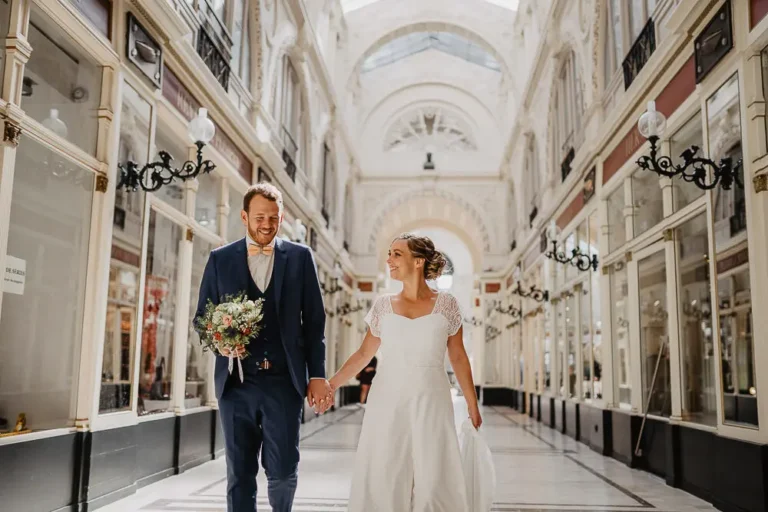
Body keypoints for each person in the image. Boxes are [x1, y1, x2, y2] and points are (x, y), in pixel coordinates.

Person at [194, 183, 332, 512]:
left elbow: (314, 323)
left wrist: (317, 376)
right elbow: (202, 318)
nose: (266, 224)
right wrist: (220, 344)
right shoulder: (220, 259)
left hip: (284, 383)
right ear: (244, 217)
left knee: (283, 471)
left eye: (273, 217)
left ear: (281, 218)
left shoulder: (300, 258)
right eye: (259, 217)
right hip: (236, 384)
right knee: (239, 474)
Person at [329, 233, 482, 511]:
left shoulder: (447, 305)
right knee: (386, 469)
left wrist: (472, 403)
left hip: (432, 397)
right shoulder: (382, 305)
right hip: (387, 398)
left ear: (419, 262)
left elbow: (458, 356)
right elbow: (364, 354)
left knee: (434, 473)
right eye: (389, 253)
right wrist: (331, 385)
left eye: (396, 254)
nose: (389, 260)